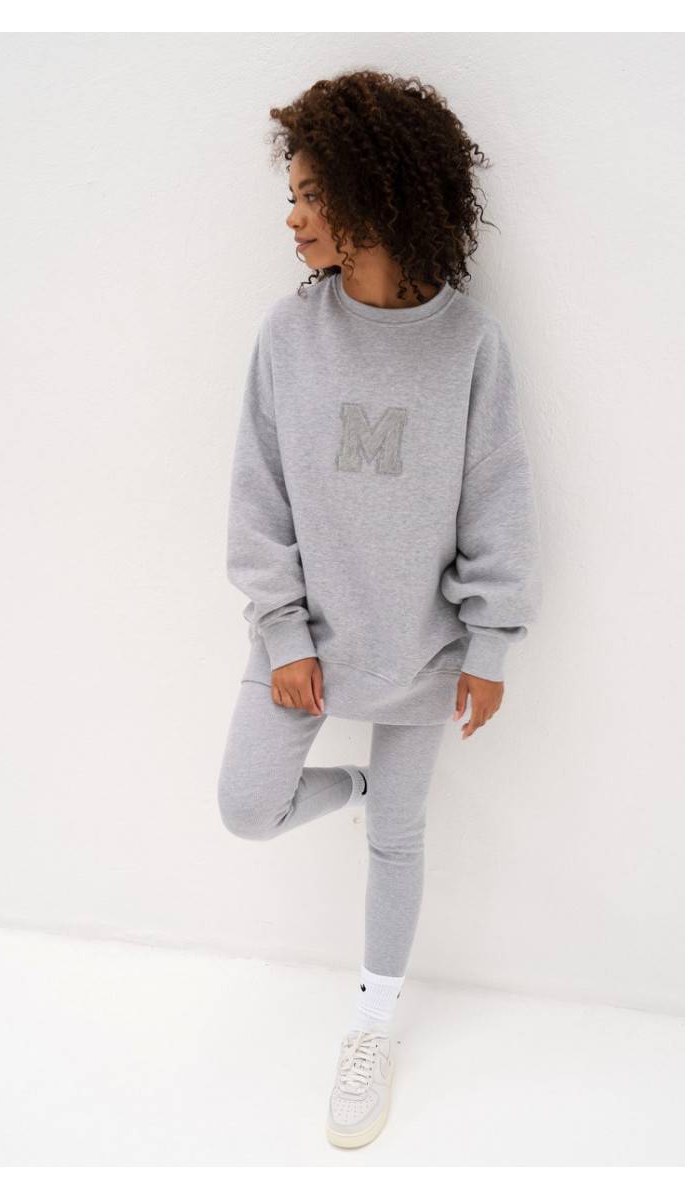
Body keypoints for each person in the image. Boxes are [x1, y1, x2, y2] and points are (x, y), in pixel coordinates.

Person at [217, 69, 543, 1150]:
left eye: (313, 194)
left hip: (421, 652)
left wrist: (490, 646)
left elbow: (497, 500)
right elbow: (257, 500)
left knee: (399, 842)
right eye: (294, 194)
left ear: (377, 193)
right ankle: (351, 787)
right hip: (305, 647)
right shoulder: (287, 335)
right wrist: (282, 633)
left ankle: (371, 1024)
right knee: (246, 806)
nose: (293, 216)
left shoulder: (470, 346)